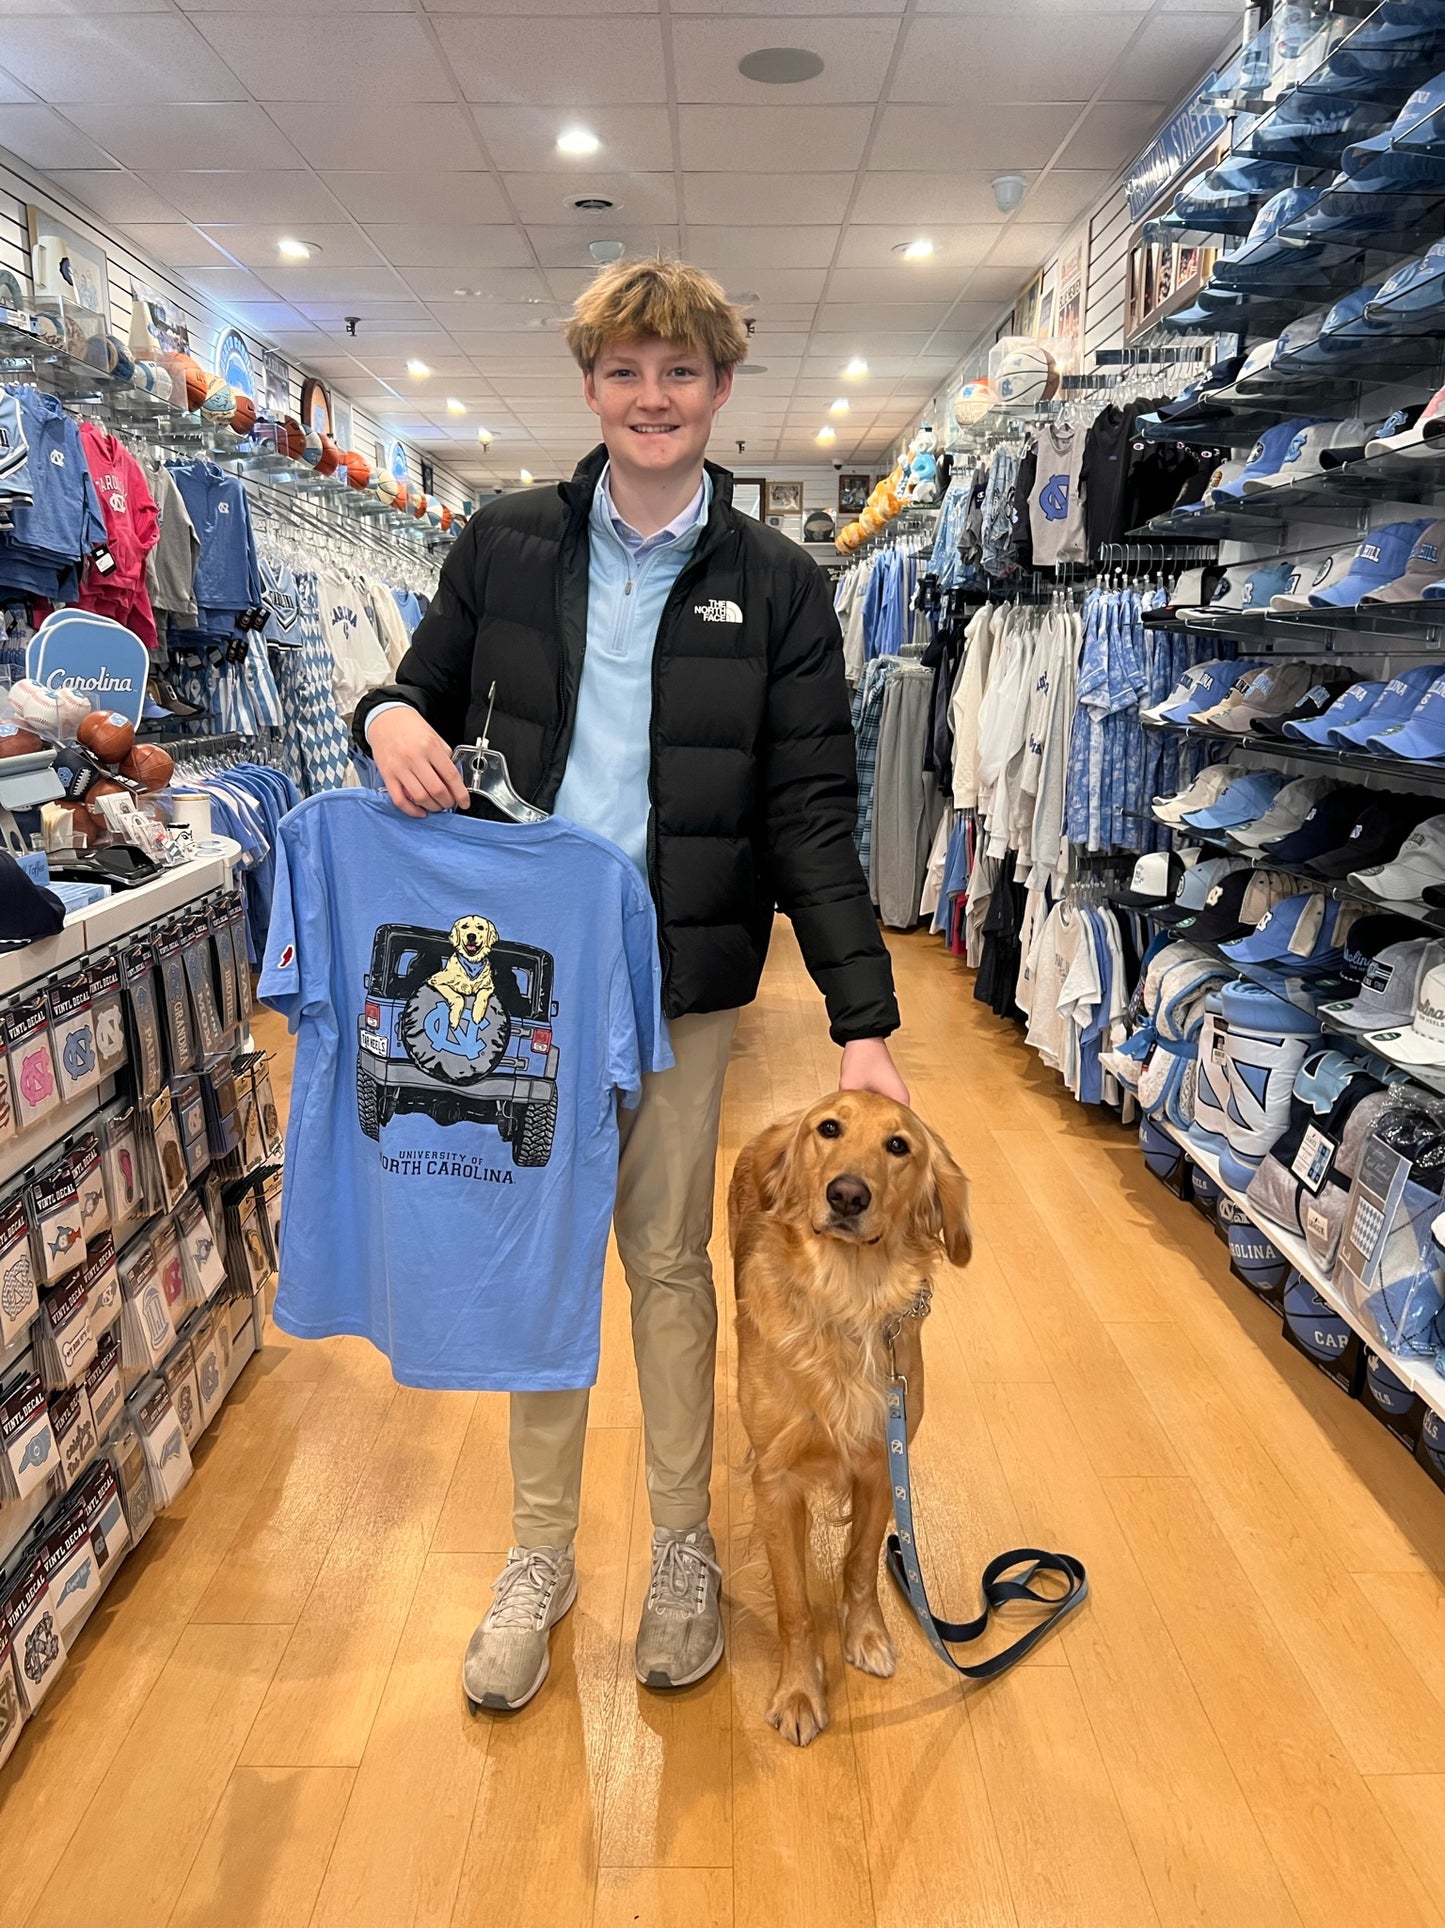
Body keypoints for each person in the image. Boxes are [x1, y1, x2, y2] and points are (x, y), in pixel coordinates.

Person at [355, 256, 905, 1712]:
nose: (650, 398)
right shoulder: (506, 541)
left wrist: (865, 1023)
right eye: (623, 372)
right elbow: (411, 683)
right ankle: (539, 1557)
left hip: (681, 979)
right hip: (514, 984)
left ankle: (676, 1548)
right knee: (532, 1261)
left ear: (721, 391)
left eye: (679, 374)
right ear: (588, 384)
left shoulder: (779, 582)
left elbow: (806, 811)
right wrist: (391, 714)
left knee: (665, 1263)